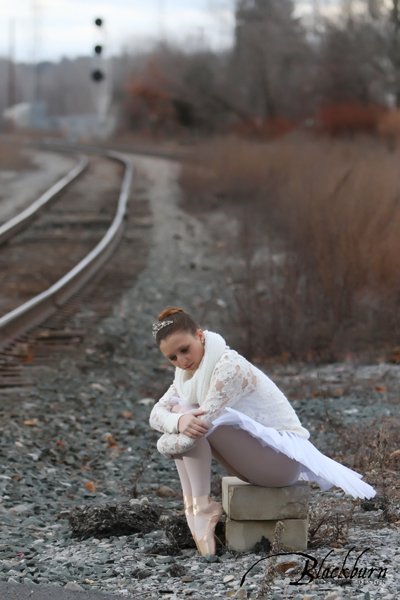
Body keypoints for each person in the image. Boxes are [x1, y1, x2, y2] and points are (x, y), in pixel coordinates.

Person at [149, 307, 376, 557]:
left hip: (281, 464)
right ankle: (195, 506)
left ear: (200, 336)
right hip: (258, 460)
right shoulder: (186, 375)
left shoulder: (229, 366)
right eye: (172, 358)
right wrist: (178, 422)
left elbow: (197, 430)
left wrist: (169, 435)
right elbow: (155, 414)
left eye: (184, 349)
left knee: (194, 418)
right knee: (185, 411)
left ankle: (201, 508)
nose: (182, 361)